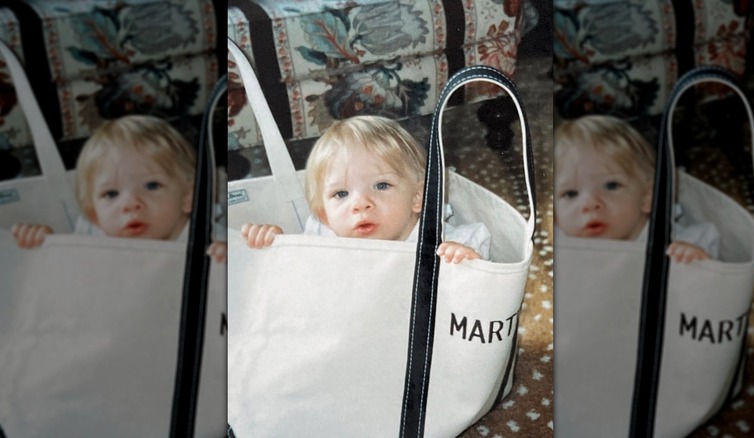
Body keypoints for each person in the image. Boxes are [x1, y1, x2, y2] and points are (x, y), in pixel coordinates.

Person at [241, 115, 490, 264]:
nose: (360, 204)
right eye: (341, 194)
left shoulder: (438, 241)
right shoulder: (321, 238)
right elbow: (292, 282)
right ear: (324, 214)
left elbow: (477, 289)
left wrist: (464, 259)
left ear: (417, 197)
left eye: (381, 185)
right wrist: (274, 247)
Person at [11, 115, 226, 262]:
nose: (131, 203)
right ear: (93, 214)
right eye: (111, 194)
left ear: (188, 198)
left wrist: (228, 260)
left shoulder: (206, 239)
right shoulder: (92, 238)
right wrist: (47, 248)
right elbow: (67, 285)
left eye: (151, 185)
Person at [554, 114, 718, 263]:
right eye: (570, 194)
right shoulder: (557, 247)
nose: (590, 204)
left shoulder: (673, 243)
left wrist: (695, 260)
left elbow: (713, 289)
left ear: (647, 196)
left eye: (611, 186)